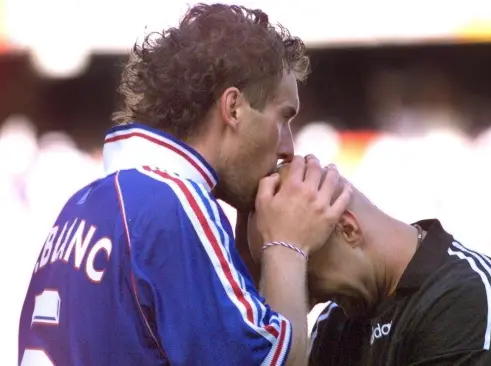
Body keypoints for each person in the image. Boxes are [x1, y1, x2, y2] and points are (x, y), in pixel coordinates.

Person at [18, 4, 352, 366]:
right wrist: (287, 244)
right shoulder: (173, 203)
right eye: (283, 118)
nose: (287, 147)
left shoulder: (84, 204)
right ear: (234, 108)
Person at [246, 167, 491, 365]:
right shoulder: (334, 324)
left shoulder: (470, 296)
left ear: (348, 229)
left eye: (299, 259)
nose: (299, 288)